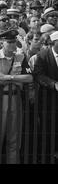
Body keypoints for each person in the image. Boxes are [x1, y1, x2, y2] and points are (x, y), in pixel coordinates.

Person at [0, 28, 33, 164]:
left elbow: (29, 78)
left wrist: (7, 77)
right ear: (1, 43)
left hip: (15, 98)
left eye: (15, 42)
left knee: (14, 138)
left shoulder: (21, 56)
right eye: (10, 42)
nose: (13, 45)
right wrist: (17, 79)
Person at [33, 31, 58, 163]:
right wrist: (53, 84)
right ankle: (47, 156)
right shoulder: (42, 55)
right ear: (54, 42)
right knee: (48, 129)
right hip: (48, 100)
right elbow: (38, 74)